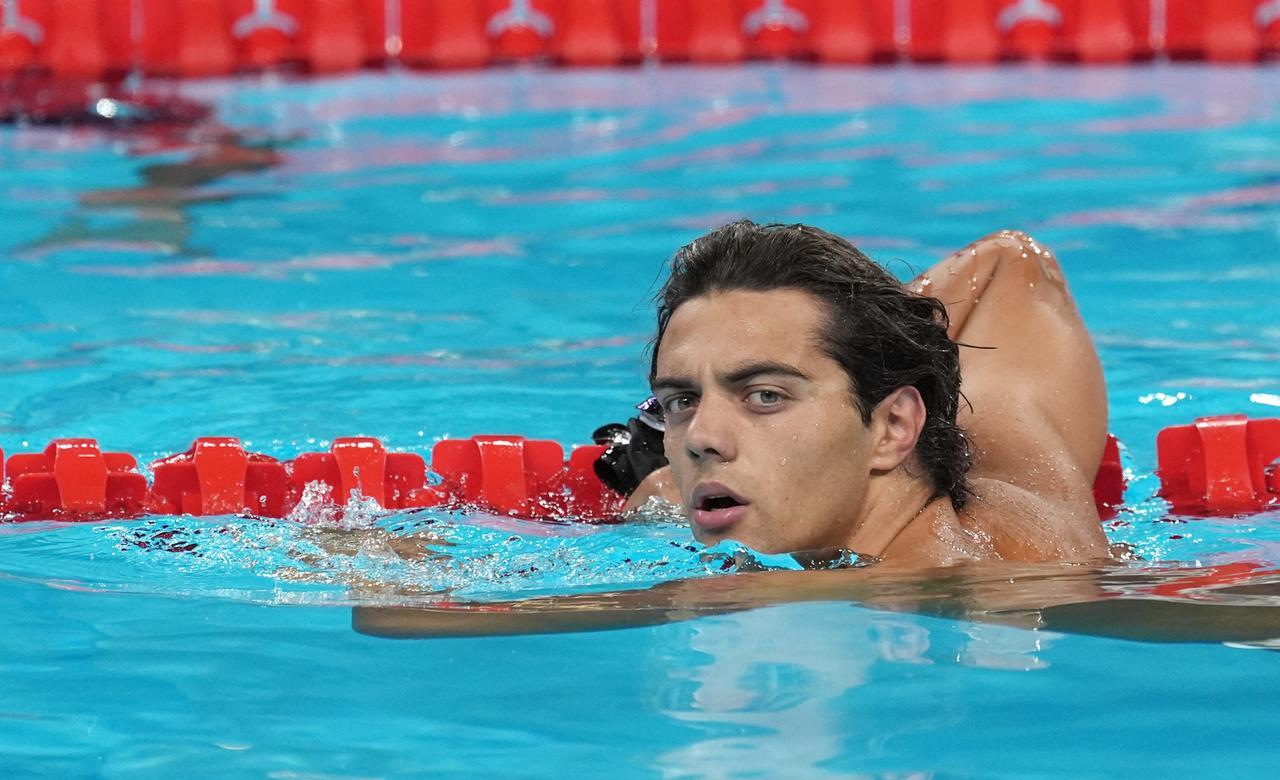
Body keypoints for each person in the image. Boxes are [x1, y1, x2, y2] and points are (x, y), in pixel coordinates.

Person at [354, 221, 1117, 638]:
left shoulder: (1019, 578)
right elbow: (1006, 262)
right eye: (679, 399)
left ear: (892, 427)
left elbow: (402, 612)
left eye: (763, 395)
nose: (699, 436)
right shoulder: (1007, 446)